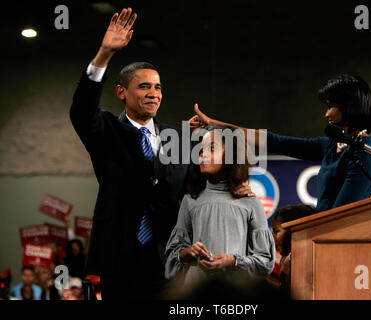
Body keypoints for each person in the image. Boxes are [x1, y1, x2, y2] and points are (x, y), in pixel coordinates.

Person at [70, 8, 252, 300]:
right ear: (121, 92)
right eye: (144, 86)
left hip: (171, 255)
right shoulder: (105, 131)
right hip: (119, 256)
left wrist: (236, 184)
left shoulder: (178, 138)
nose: (153, 93)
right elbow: (81, 109)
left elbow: (204, 178)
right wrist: (104, 54)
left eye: (157, 87)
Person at [190, 75, 371, 212]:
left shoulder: (365, 152)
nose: (326, 114)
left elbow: (343, 214)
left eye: (331, 106)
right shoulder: (330, 145)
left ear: (349, 107)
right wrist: (216, 125)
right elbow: (274, 142)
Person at [164, 125, 275, 297]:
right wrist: (185, 253)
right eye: (201, 150)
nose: (203, 154)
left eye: (212, 148)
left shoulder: (250, 203)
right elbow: (172, 260)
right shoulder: (190, 200)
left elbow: (265, 262)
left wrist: (233, 260)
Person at [271, 204, 317, 298]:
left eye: (276, 232)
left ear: (295, 230)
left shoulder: (294, 262)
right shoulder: (287, 260)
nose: (272, 238)